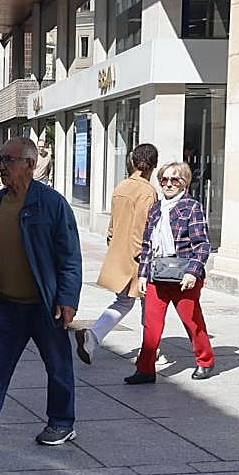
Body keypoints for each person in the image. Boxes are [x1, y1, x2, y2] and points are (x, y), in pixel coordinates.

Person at [0, 137, 82, 451]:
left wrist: (68, 298)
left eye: (9, 160)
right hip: (7, 305)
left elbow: (70, 256)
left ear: (30, 164)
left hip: (44, 305)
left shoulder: (51, 203)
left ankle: (62, 423)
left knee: (58, 366)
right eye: (0, 159)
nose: (2, 166)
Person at [126, 161, 214, 383]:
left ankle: (205, 360)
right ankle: (145, 369)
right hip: (158, 273)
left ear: (184, 183)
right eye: (164, 179)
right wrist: (143, 275)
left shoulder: (191, 207)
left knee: (192, 321)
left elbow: (202, 244)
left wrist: (193, 272)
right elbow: (147, 245)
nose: (168, 184)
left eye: (174, 180)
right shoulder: (155, 208)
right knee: (151, 324)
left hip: (184, 275)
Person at [75, 144, 159, 364]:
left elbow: (112, 227)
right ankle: (149, 349)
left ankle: (92, 338)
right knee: (148, 305)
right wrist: (143, 256)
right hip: (138, 256)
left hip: (121, 252)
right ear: (153, 165)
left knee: (124, 302)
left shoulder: (121, 186)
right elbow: (143, 227)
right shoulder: (147, 191)